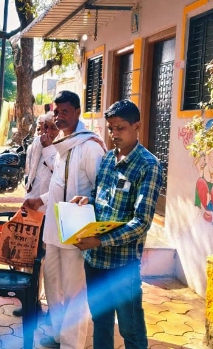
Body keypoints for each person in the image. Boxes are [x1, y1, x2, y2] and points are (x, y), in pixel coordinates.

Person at [71, 100, 163, 349]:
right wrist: (86, 200)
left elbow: (141, 222)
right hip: (95, 261)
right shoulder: (108, 159)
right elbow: (101, 200)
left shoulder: (148, 165)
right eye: (110, 128)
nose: (114, 135)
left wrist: (100, 240)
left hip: (122, 265)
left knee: (130, 328)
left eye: (120, 128)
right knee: (100, 323)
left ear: (137, 126)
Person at [23, 90, 106, 349]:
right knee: (53, 285)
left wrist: (87, 201)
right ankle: (58, 335)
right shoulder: (64, 143)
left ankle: (72, 344)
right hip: (53, 228)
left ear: (78, 112)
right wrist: (42, 200)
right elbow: (59, 183)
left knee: (74, 290)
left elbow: (100, 189)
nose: (59, 117)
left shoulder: (90, 146)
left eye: (65, 112)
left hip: (76, 229)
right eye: (56, 112)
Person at [13, 112, 59, 317]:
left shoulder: (60, 150)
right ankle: (30, 303)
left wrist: (49, 147)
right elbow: (29, 172)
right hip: (31, 209)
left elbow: (58, 177)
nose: (45, 132)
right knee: (27, 259)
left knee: (48, 263)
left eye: (50, 127)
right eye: (42, 127)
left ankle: (51, 307)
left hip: (50, 212)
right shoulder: (34, 145)